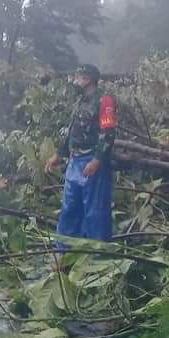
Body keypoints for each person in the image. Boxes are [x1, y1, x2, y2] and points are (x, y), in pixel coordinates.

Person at [43, 64, 117, 242]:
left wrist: (97, 160)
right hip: (75, 161)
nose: (75, 81)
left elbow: (108, 134)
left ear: (87, 79)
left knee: (95, 211)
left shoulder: (104, 101)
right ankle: (64, 251)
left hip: (92, 162)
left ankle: (97, 257)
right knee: (69, 208)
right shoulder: (81, 101)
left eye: (78, 77)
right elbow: (71, 131)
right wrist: (58, 155)